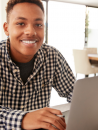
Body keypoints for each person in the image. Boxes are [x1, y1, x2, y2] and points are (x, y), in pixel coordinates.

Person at [0, 0, 75, 129]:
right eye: (21, 23)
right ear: (7, 28)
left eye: (38, 24)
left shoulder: (52, 56)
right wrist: (23, 119)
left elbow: (73, 91)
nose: (31, 32)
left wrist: (89, 104)